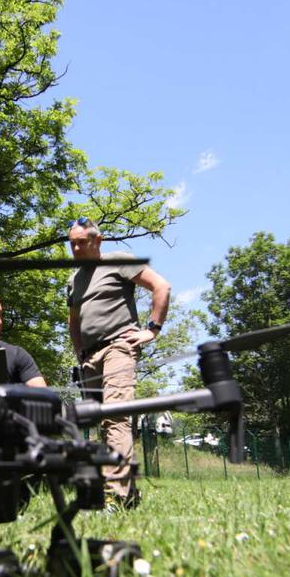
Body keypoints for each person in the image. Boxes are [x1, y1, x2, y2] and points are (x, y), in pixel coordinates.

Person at [67, 217, 171, 508]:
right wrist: (80, 353)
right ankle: (128, 494)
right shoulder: (73, 279)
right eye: (71, 243)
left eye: (81, 242)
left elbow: (161, 286)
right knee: (102, 422)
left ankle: (115, 496)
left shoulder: (118, 261)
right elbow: (73, 320)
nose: (75, 248)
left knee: (116, 416)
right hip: (90, 357)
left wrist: (151, 329)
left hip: (118, 348)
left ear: (97, 241)